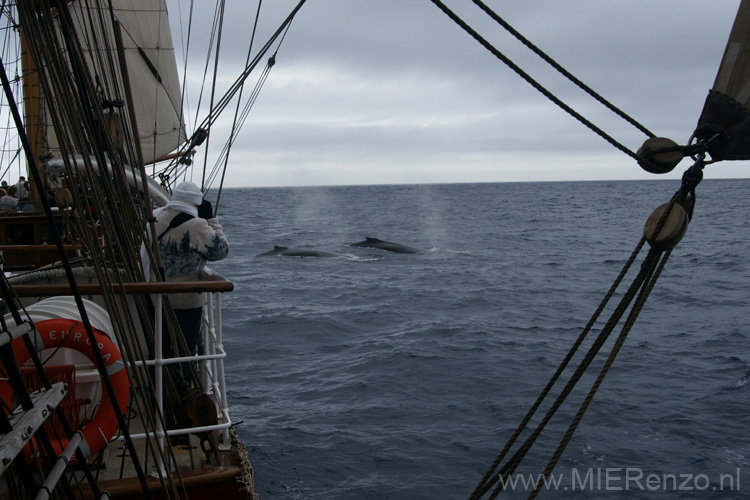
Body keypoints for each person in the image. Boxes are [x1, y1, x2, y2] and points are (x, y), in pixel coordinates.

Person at [146, 181, 229, 383]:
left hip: (154, 298)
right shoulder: (195, 224)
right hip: (184, 302)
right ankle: (184, 393)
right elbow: (221, 250)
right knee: (184, 353)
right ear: (197, 203)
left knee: (158, 350)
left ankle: (157, 390)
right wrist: (210, 220)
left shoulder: (156, 217)